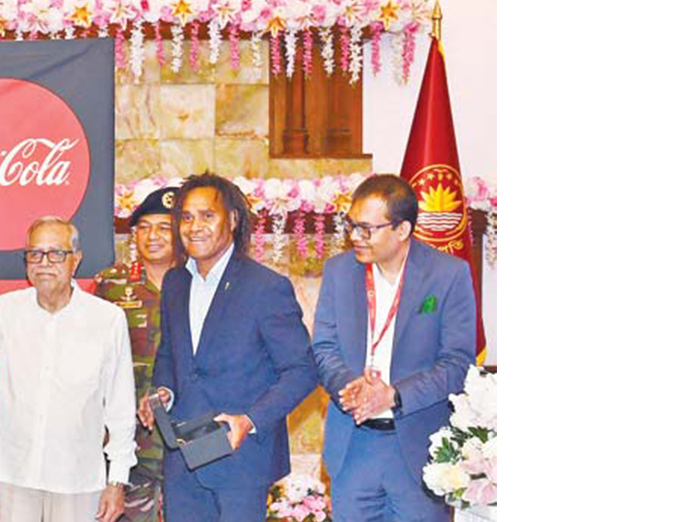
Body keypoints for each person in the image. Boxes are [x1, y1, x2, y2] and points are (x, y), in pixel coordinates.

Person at [142, 174, 318, 522]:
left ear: (233, 220)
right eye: (187, 217)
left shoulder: (266, 287)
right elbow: (170, 354)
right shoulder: (176, 282)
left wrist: (250, 420)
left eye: (207, 215)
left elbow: (303, 370)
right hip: (183, 458)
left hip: (242, 460)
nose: (195, 227)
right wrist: (162, 391)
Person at [0, 216, 136, 522]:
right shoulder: (5, 310)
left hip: (78, 476)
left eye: (56, 253)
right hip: (14, 473)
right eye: (35, 254)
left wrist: (117, 479)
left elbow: (121, 406)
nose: (44, 262)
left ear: (76, 260)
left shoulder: (107, 319)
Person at [310, 175, 477, 522]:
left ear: (402, 230)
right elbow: (324, 347)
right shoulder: (339, 271)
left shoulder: (447, 274)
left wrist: (394, 396)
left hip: (417, 448)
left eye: (367, 228)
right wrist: (350, 385)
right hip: (354, 445)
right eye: (351, 225)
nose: (355, 236)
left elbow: (457, 363)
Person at [91, 186, 179, 521]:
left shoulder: (195, 282)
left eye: (163, 227)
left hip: (182, 427)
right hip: (127, 432)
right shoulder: (112, 284)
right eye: (143, 227)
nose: (152, 236)